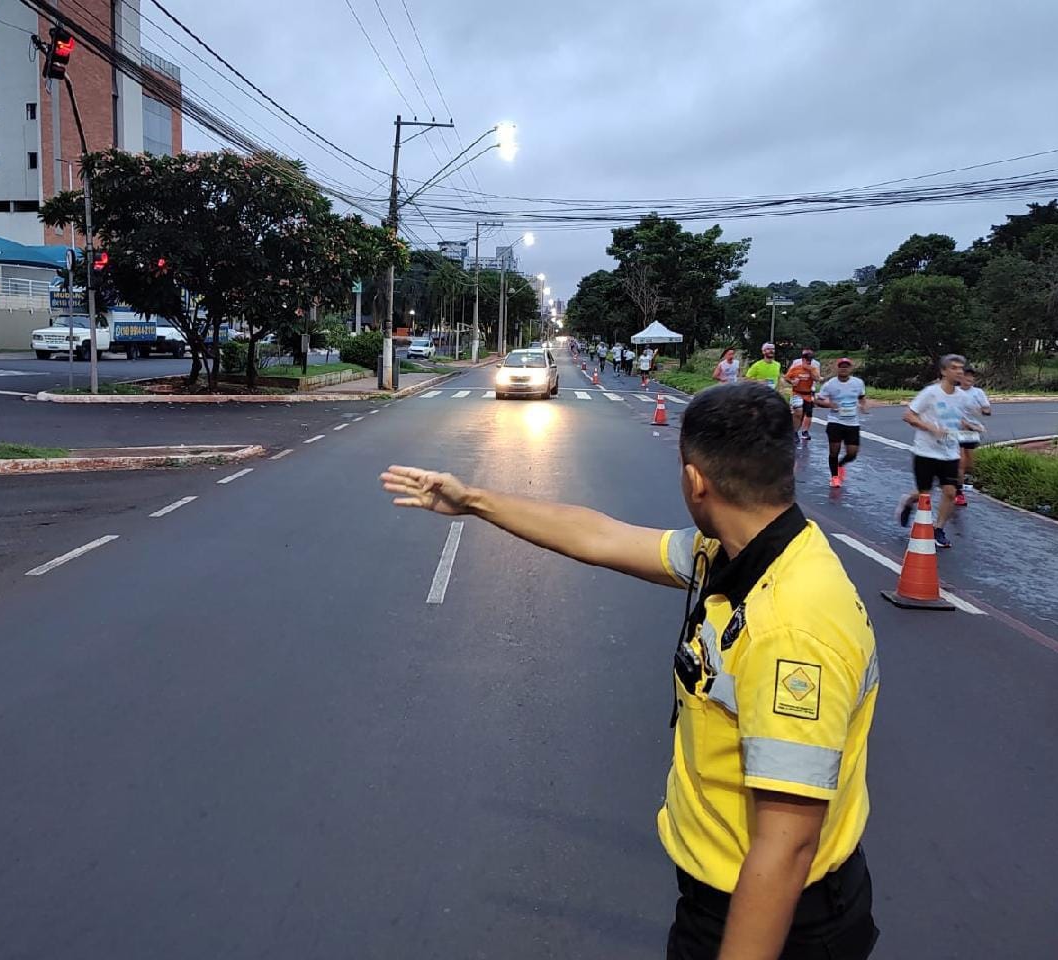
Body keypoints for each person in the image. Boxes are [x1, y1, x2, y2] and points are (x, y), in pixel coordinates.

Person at [381, 382, 880, 960]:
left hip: (774, 914)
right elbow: (601, 536)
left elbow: (788, 845)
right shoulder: (740, 550)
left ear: (696, 480)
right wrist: (472, 502)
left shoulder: (790, 626)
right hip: (729, 890)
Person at [899, 354, 983, 549]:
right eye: (954, 368)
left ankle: (938, 528)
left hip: (950, 453)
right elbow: (909, 415)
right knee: (924, 494)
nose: (959, 371)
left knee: (950, 492)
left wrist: (972, 426)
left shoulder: (962, 397)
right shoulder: (931, 393)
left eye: (961, 368)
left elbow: (957, 419)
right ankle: (908, 502)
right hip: (926, 451)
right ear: (944, 371)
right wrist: (930, 427)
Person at [815, 358, 868, 488]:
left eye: (846, 366)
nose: (844, 368)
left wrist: (863, 406)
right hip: (835, 422)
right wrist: (829, 404)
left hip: (852, 422)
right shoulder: (830, 384)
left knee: (852, 453)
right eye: (841, 366)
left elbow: (861, 398)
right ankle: (834, 477)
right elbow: (818, 400)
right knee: (834, 451)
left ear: (850, 368)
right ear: (837, 368)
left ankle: (840, 465)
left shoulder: (858, 383)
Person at [954, 366, 992, 506]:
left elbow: (987, 410)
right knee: (961, 460)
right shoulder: (954, 392)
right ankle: (958, 492)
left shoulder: (978, 392)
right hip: (956, 429)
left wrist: (982, 410)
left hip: (973, 430)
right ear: (960, 378)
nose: (969, 379)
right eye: (966, 376)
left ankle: (958, 479)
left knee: (969, 463)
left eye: (971, 377)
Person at [784, 349, 822, 442]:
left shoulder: (813, 368)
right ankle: (794, 433)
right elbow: (786, 377)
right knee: (798, 411)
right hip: (797, 393)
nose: (808, 362)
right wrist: (792, 382)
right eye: (806, 360)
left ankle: (797, 431)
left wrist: (811, 371)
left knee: (805, 414)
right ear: (803, 359)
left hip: (808, 394)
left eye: (810, 360)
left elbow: (817, 379)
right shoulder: (796, 367)